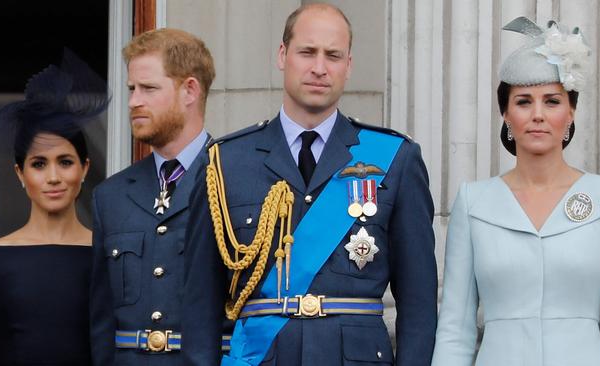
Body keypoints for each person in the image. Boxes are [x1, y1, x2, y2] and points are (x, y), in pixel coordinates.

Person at [182, 3, 437, 365]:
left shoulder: (395, 158)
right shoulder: (226, 162)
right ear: (282, 55)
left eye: (333, 56)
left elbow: (419, 303)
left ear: (348, 66)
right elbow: (199, 305)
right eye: (307, 52)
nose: (319, 67)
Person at [431, 17, 600, 366]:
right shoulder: (474, 202)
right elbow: (455, 329)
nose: (537, 114)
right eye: (523, 102)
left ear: (571, 112)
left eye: (552, 101)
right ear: (505, 114)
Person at [89, 28, 215, 365]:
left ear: (190, 90)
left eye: (148, 88)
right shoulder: (110, 196)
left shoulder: (237, 180)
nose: (133, 101)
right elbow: (101, 326)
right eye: (132, 89)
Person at [0, 49, 108, 366]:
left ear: (84, 168)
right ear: (20, 173)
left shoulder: (107, 254)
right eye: (39, 164)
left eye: (65, 162)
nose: (53, 177)